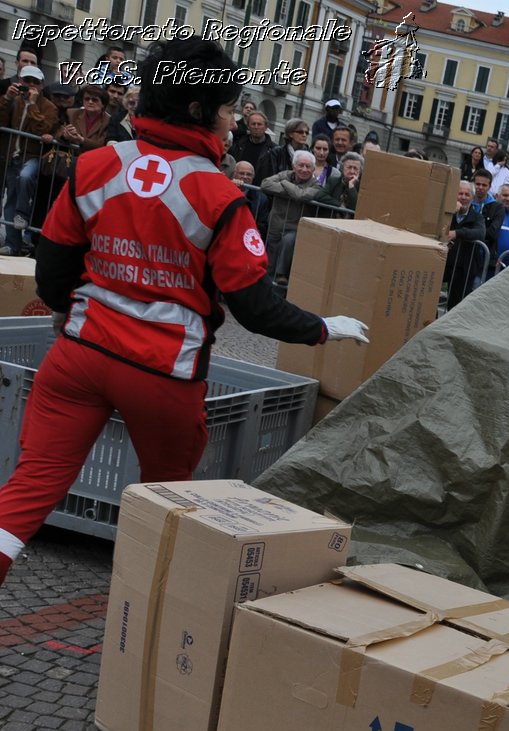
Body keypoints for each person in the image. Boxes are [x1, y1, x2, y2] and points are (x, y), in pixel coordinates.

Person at [0, 37, 367, 588]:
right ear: (197, 111)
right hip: (162, 374)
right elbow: (254, 305)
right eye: (225, 109)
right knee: (165, 501)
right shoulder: (221, 198)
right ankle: (147, 618)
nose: (230, 121)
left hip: (78, 355)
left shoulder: (97, 166)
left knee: (28, 491)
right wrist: (321, 327)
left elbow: (53, 270)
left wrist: (66, 310)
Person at [2, 65, 59, 256]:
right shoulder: (14, 100)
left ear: (42, 85)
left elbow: (41, 129)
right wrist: (7, 98)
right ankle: (13, 244)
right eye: (27, 81)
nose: (31, 85)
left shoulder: (49, 106)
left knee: (26, 177)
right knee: (10, 199)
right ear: (20, 80)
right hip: (12, 155)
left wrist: (33, 105)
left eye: (36, 82)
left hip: (33, 156)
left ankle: (22, 215)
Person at [260, 150, 323, 282]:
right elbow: (265, 184)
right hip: (275, 225)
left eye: (308, 166)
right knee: (269, 262)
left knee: (287, 244)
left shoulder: (316, 184)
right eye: (301, 165)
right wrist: (293, 191)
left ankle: (280, 280)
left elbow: (303, 196)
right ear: (294, 166)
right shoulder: (285, 174)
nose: (304, 169)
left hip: (294, 228)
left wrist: (285, 184)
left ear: (313, 169)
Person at [444, 180, 486, 308]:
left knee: (456, 305)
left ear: (472, 198)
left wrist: (457, 233)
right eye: (460, 193)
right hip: (444, 263)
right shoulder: (447, 213)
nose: (463, 197)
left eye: (467, 194)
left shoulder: (477, 217)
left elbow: (480, 233)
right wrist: (451, 212)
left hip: (464, 268)